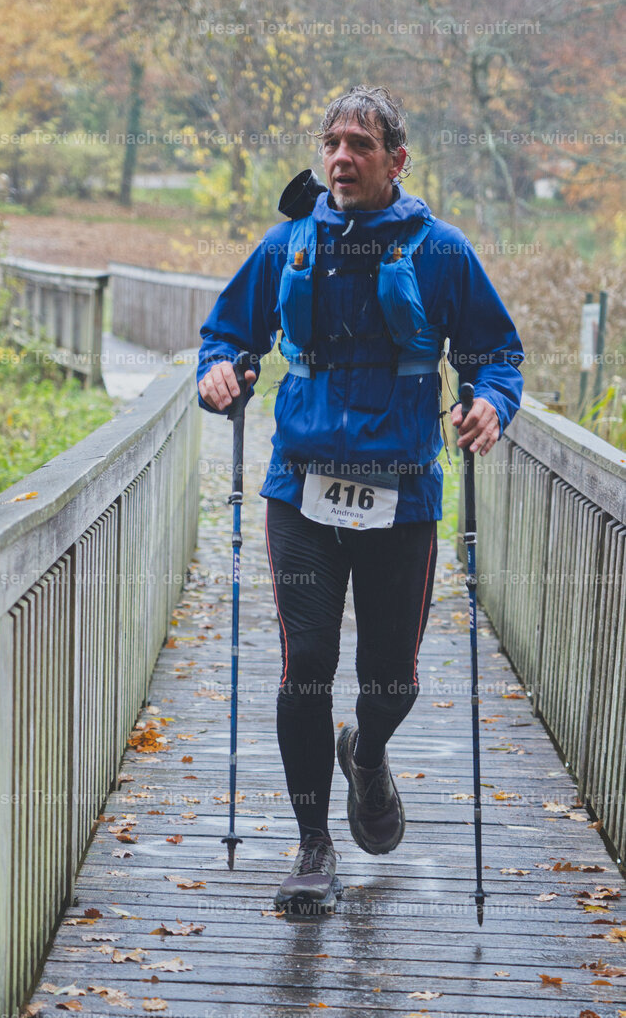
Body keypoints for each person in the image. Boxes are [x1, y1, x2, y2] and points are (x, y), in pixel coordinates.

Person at [197, 85, 524, 915]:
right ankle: (312, 847)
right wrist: (221, 370)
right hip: (299, 491)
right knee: (306, 665)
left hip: (402, 494)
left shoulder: (441, 251)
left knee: (394, 679)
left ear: (395, 162)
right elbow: (228, 331)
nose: (340, 158)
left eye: (359, 146)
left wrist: (491, 399)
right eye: (331, 143)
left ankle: (366, 751)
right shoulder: (289, 245)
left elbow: (497, 351)